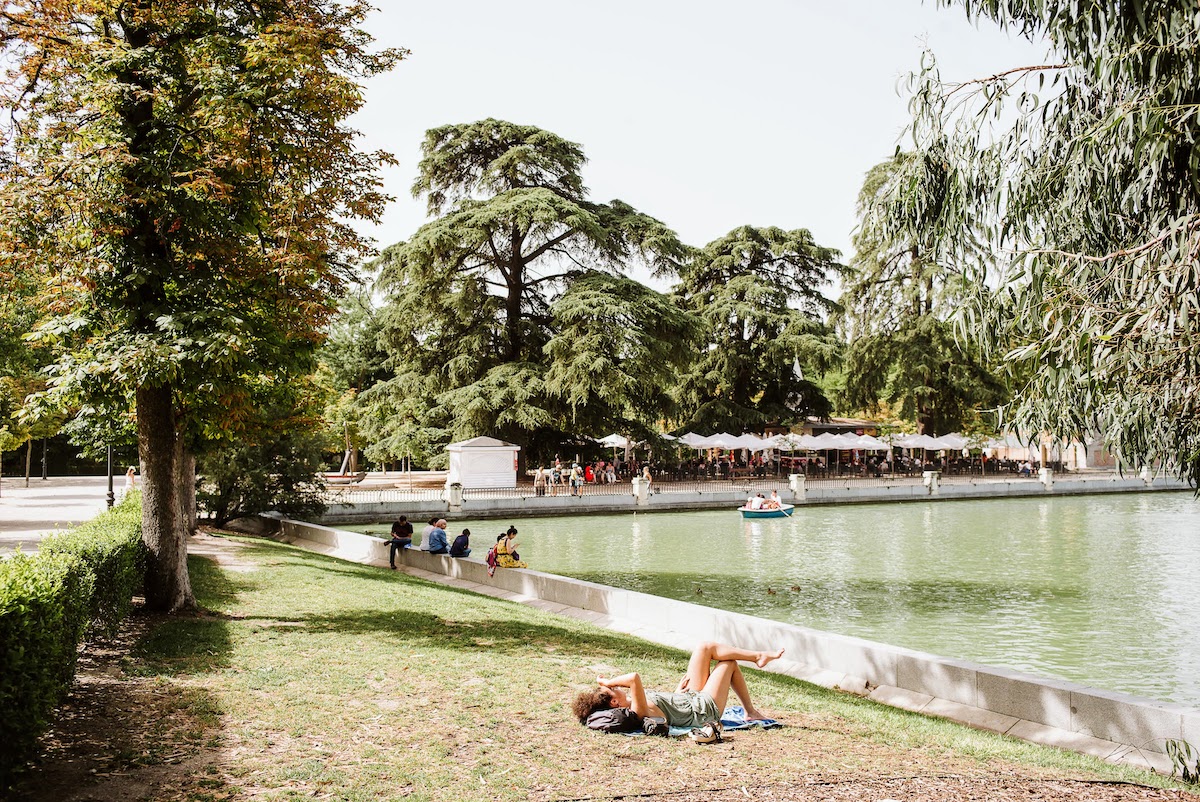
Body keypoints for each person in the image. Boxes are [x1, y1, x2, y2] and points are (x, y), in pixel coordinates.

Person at [572, 641, 783, 729]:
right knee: (728, 663)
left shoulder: (637, 706)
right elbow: (633, 678)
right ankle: (750, 712)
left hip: (688, 698)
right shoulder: (637, 710)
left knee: (704, 648)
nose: (619, 686)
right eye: (614, 689)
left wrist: (675, 694)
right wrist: (607, 682)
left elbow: (663, 711)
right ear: (615, 702)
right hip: (702, 709)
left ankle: (758, 656)